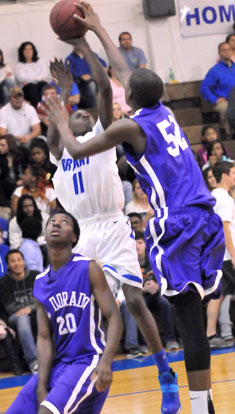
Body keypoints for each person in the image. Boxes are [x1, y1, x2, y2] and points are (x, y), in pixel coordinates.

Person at [45, 3, 226, 413]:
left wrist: (58, 114)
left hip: (168, 222)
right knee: (192, 318)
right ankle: (203, 401)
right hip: (200, 217)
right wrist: (95, 30)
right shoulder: (161, 110)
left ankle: (191, 398)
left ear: (130, 101)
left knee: (183, 320)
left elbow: (99, 107)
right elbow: (123, 73)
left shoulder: (126, 126)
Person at [46, 36, 181, 414]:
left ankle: (165, 374)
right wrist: (64, 92)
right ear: (67, 123)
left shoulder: (101, 140)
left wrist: (84, 46)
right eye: (79, 115)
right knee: (78, 311)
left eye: (89, 115)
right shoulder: (61, 155)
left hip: (112, 225)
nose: (86, 116)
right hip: (83, 235)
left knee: (135, 300)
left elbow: (106, 87)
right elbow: (56, 134)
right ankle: (76, 381)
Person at [7, 211, 123, 414]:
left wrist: (106, 360)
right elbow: (44, 338)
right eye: (52, 221)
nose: (56, 224)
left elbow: (114, 316)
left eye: (64, 222)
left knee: (47, 411)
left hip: (89, 360)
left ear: (74, 237)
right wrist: (41, 384)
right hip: (58, 365)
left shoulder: (88, 268)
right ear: (45, 232)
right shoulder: (40, 281)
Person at [209, 161, 235, 345]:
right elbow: (225, 228)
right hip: (226, 255)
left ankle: (210, 335)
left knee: (219, 294)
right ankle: (210, 334)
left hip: (220, 255)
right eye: (233, 172)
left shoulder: (215, 196)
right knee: (219, 294)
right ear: (224, 176)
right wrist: (234, 255)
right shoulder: (224, 199)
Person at [0, 249, 38, 374]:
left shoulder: (35, 276)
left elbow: (44, 299)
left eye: (19, 260)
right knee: (22, 317)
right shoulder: (3, 283)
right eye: (13, 261)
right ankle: (34, 362)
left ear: (24, 261)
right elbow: (10, 308)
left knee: (50, 314)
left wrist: (30, 308)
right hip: (15, 318)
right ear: (8, 265)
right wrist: (28, 309)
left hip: (35, 312)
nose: (17, 264)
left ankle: (57, 358)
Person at [200, 42, 235, 137]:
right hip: (225, 101)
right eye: (224, 50)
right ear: (219, 53)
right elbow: (204, 87)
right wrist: (215, 99)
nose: (227, 52)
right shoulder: (214, 71)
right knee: (226, 109)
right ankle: (229, 134)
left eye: (229, 49)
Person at [15, 41, 49, 108]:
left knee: (43, 85)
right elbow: (21, 77)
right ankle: (37, 110)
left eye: (30, 49)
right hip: (28, 89)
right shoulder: (19, 65)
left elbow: (45, 74)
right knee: (31, 87)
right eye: (25, 49)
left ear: (33, 50)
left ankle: (47, 108)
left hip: (40, 84)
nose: (28, 51)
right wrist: (39, 78)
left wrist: (30, 79)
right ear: (22, 52)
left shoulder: (40, 61)